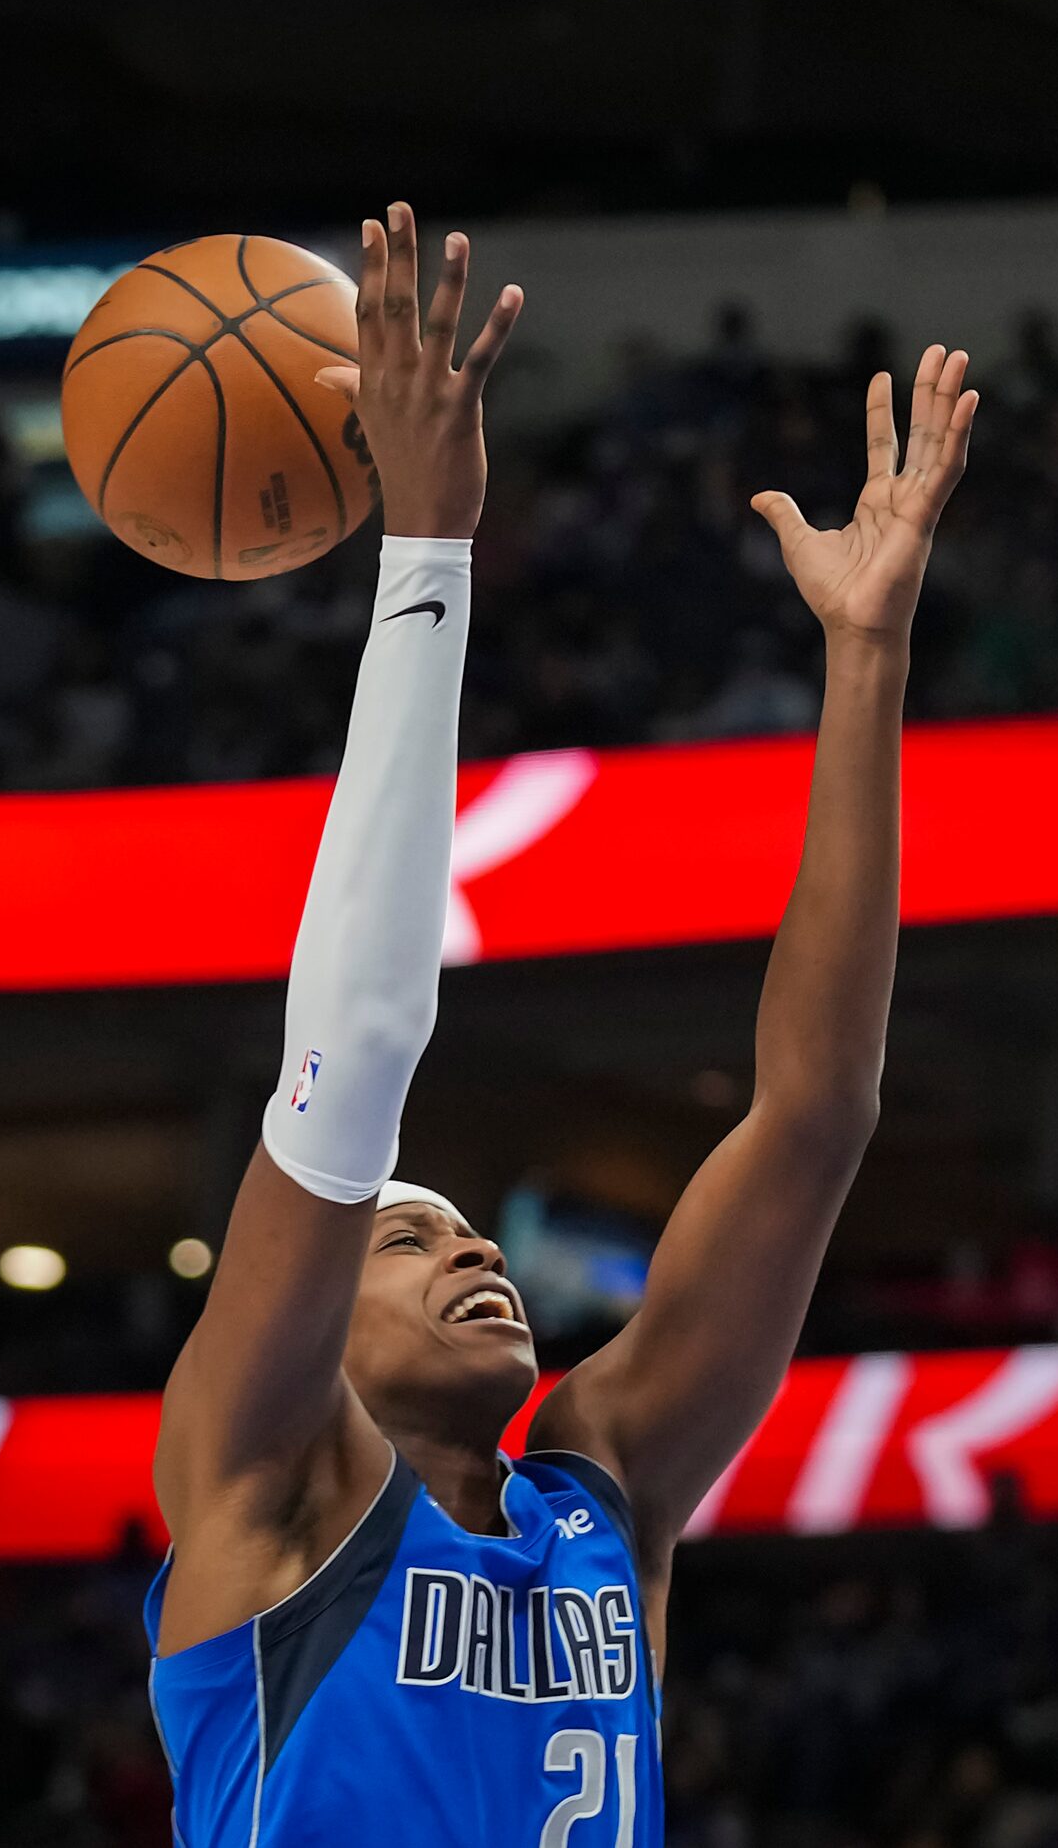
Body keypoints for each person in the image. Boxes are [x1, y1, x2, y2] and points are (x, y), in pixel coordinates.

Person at [144, 202, 979, 1847]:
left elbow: (813, 1115)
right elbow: (359, 1051)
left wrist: (866, 657)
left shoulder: (603, 1486)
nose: (470, 1253)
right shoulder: (264, 1482)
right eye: (404, 1236)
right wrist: (429, 550)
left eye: (461, 1232)